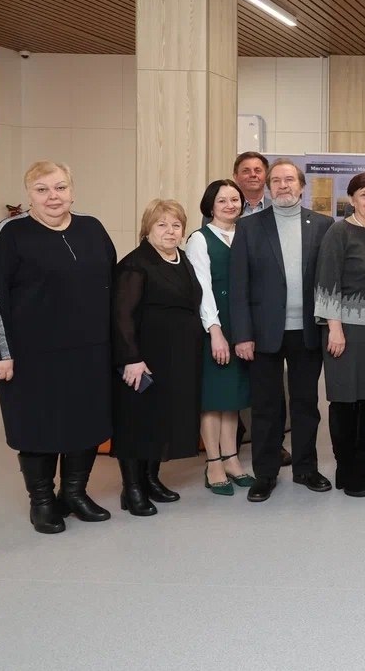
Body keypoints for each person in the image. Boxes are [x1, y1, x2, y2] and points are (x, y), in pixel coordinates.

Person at [0, 161, 116, 534]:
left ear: (72, 191)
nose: (53, 196)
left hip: (90, 351)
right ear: (29, 195)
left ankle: (74, 494)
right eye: (42, 189)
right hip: (32, 356)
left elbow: (112, 286)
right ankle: (41, 501)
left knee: (86, 423)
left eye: (60, 187)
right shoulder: (10, 234)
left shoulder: (92, 229)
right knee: (38, 427)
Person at [230, 158, 335, 502]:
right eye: (276, 180)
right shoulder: (249, 227)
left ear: (302, 186)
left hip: (307, 330)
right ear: (268, 187)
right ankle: (266, 473)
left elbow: (330, 281)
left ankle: (305, 468)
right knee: (266, 407)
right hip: (262, 333)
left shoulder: (323, 225)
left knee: (306, 404)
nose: (283, 185)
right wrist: (242, 335)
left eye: (289, 179)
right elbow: (239, 285)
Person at [111, 199, 204, 516]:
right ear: (147, 229)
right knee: (137, 421)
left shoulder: (182, 259)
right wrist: (131, 358)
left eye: (176, 225)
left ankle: (150, 479)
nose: (170, 231)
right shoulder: (136, 264)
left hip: (175, 358)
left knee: (161, 420)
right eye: (162, 224)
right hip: (143, 359)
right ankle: (132, 489)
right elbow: (122, 316)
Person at [314, 172, 365, 498]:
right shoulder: (340, 232)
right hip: (346, 331)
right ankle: (345, 467)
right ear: (352, 199)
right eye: (364, 195)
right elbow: (326, 281)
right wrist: (334, 328)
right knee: (345, 401)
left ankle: (361, 462)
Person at [185, 180, 254, 496]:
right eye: (222, 200)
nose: (230, 205)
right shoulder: (200, 239)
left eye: (235, 199)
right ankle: (213, 462)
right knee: (213, 399)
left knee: (233, 397)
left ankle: (232, 458)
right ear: (210, 205)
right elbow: (202, 289)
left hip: (241, 326)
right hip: (213, 325)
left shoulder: (245, 234)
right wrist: (215, 332)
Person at [233, 151, 270, 216]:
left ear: (266, 175)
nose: (253, 174)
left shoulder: (277, 209)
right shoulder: (228, 209)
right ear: (236, 177)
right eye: (246, 171)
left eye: (257, 170)